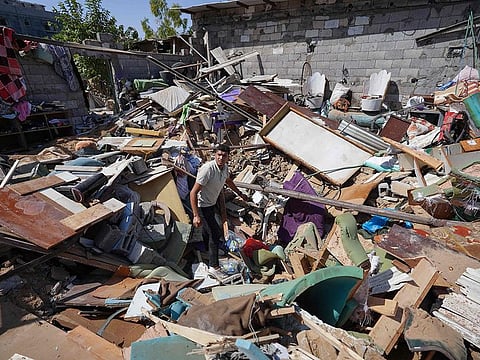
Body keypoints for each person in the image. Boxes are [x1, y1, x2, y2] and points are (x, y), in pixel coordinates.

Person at [190, 144, 248, 277]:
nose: (221, 158)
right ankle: (213, 266)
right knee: (215, 234)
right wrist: (195, 215)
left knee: (209, 230)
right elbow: (193, 193)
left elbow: (228, 181)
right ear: (215, 155)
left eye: (224, 155)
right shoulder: (208, 169)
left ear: (228, 157)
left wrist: (240, 194)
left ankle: (203, 250)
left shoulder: (224, 168)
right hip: (202, 205)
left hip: (212, 202)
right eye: (219, 155)